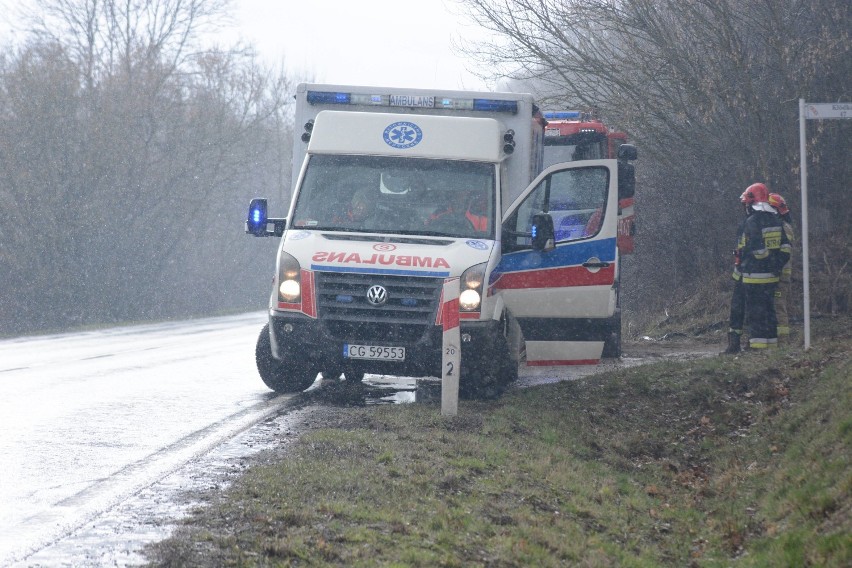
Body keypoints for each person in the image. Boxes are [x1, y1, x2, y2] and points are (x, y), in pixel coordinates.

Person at [735, 182, 791, 350]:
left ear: (752, 202)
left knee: (755, 313)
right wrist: (776, 264)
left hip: (754, 276)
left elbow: (757, 248)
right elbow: (786, 247)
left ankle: (757, 347)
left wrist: (767, 262)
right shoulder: (776, 220)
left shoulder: (752, 221)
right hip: (772, 277)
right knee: (769, 312)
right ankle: (772, 346)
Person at [768, 193, 796, 339]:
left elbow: (784, 252)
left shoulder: (784, 228)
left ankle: (783, 341)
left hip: (781, 274)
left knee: (779, 307)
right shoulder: (781, 226)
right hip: (777, 273)